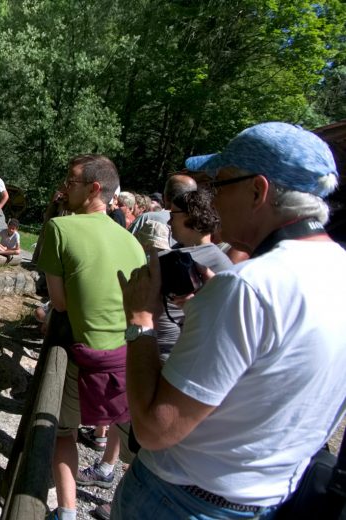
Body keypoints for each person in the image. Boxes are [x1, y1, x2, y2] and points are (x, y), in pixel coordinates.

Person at [113, 122, 346, 519]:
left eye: (220, 185)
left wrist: (140, 320)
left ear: (258, 191)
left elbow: (154, 430)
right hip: (265, 504)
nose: (211, 201)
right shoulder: (337, 270)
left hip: (180, 503)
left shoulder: (246, 288)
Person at [37, 154, 146, 520]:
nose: (65, 187)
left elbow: (60, 302)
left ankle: (67, 511)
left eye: (71, 181)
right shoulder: (131, 241)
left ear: (94, 188)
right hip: (128, 358)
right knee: (133, 445)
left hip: (86, 358)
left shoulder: (60, 229)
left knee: (63, 431)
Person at [127, 174, 198, 241]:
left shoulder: (147, 218)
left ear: (165, 197)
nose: (169, 222)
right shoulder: (200, 225)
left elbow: (125, 243)